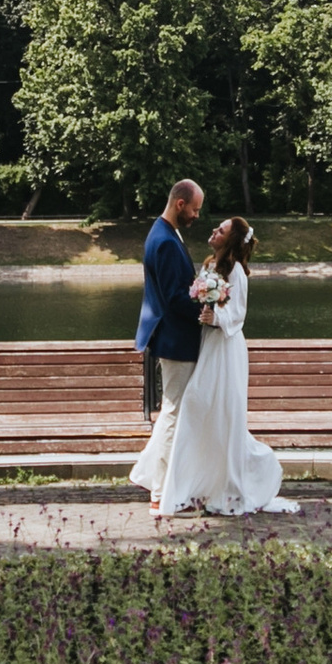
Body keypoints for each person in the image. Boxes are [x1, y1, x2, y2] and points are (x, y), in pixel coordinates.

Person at [157, 218, 300, 518]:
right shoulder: (209, 265)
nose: (213, 232)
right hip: (207, 346)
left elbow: (238, 316)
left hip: (226, 350)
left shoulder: (237, 272)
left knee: (221, 413)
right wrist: (202, 307)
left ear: (231, 240)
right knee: (198, 408)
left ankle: (236, 480)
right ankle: (193, 485)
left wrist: (215, 319)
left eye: (220, 231)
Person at [128, 179, 204, 504]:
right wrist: (208, 309)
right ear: (180, 204)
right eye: (196, 210)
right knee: (172, 413)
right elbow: (175, 298)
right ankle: (159, 492)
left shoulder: (163, 234)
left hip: (172, 338)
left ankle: (162, 483)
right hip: (176, 341)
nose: (197, 216)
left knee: (172, 412)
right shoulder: (166, 242)